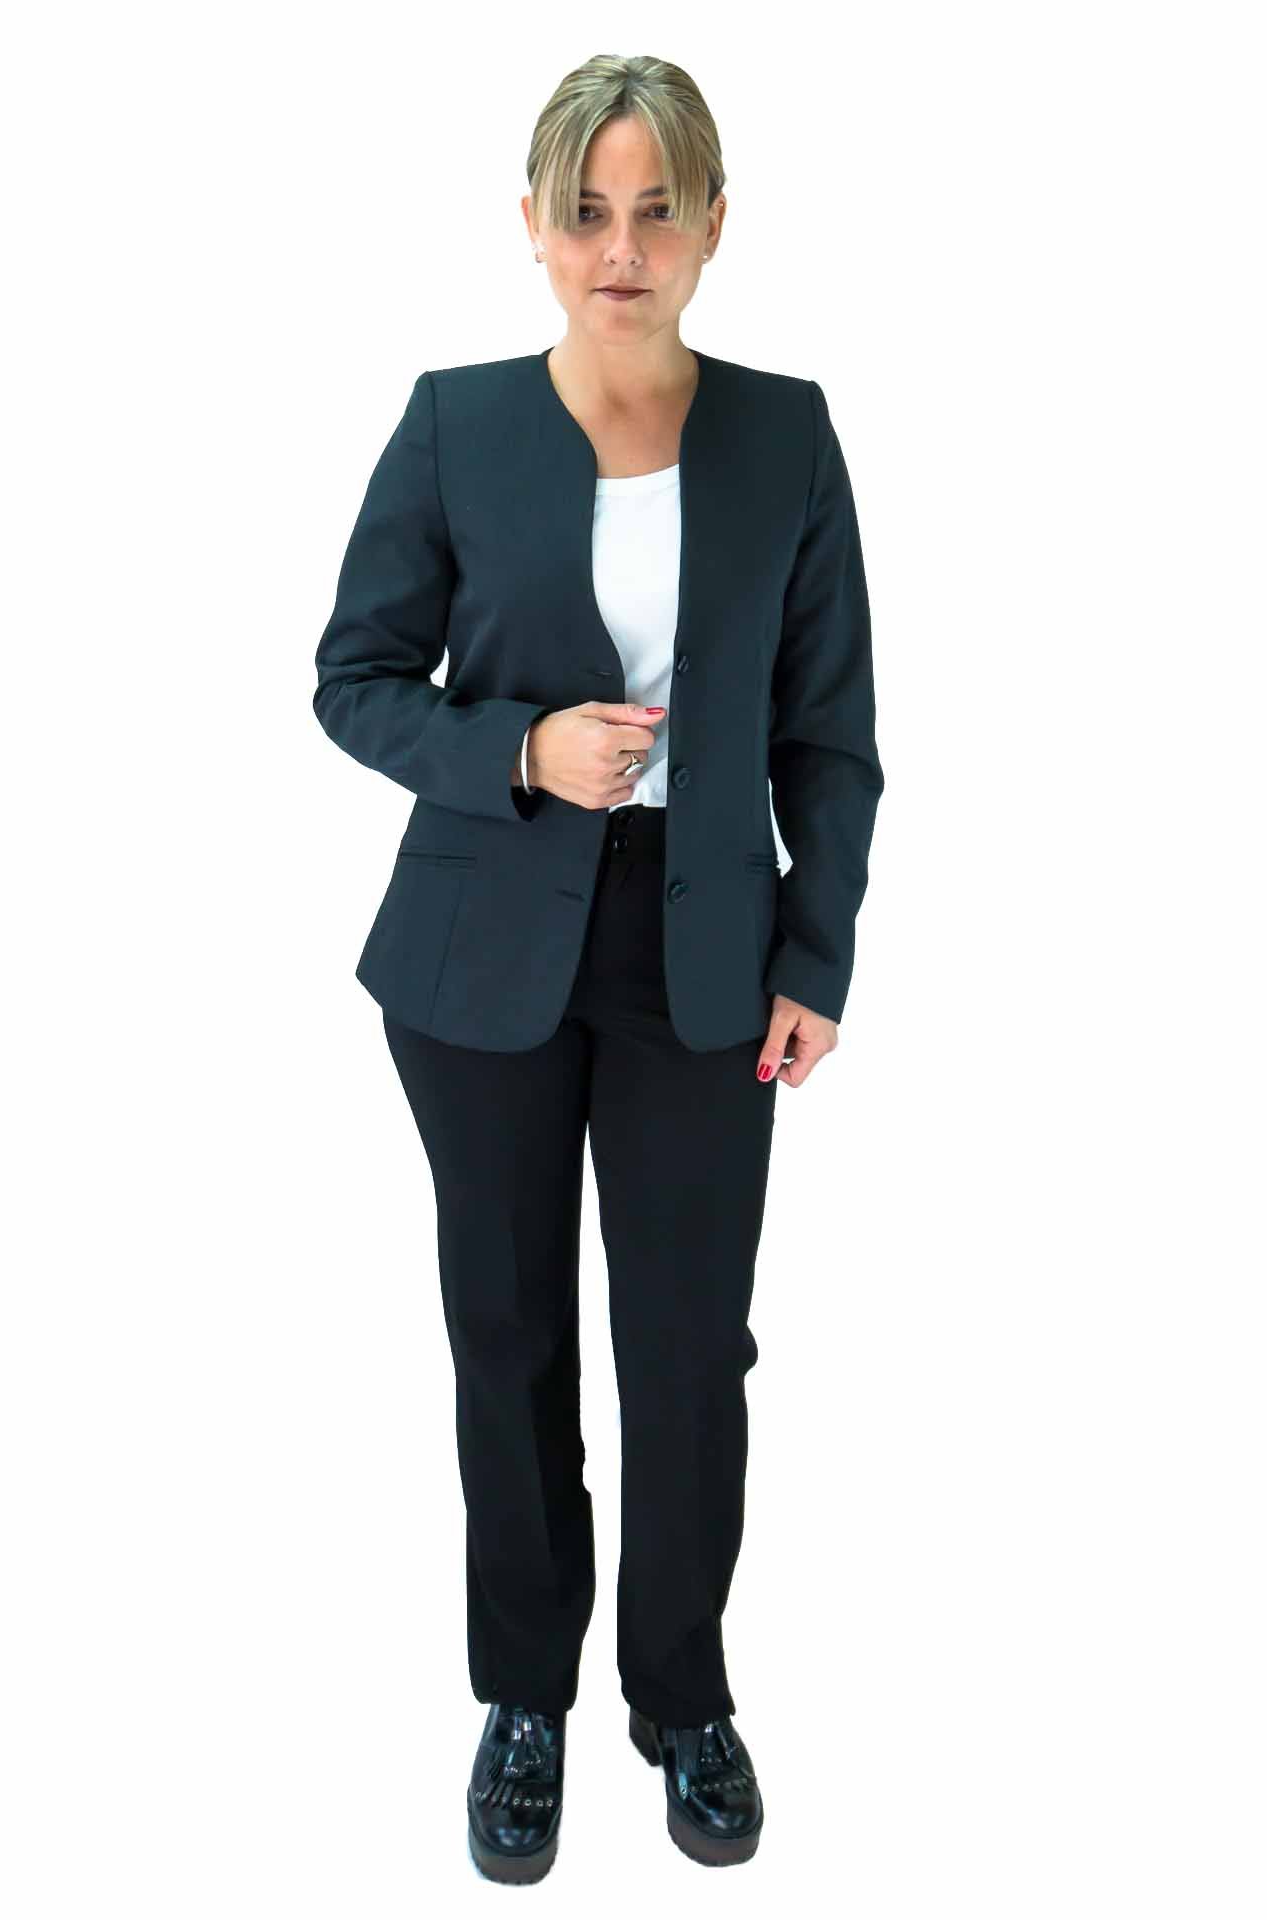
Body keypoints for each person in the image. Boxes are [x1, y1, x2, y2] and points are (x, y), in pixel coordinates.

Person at [313, 53, 884, 1883]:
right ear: (536, 228)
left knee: (691, 1347)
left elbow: (830, 735)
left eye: (655, 211)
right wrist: (517, 748)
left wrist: (818, 955)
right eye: (587, 213)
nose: (619, 248)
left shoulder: (786, 435)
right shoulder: (455, 423)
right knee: (509, 1335)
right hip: (479, 955)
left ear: (713, 225)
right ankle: (525, 1699)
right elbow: (353, 679)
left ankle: (681, 1694)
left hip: (705, 957)